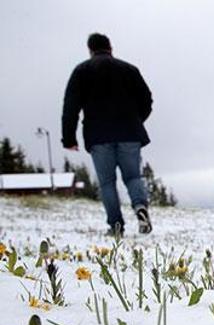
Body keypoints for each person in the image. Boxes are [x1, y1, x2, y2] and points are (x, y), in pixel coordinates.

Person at [61, 33, 153, 236]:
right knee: (133, 177)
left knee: (107, 183)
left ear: (90, 50)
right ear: (110, 47)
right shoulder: (129, 69)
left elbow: (71, 106)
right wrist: (136, 120)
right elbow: (146, 99)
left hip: (98, 135)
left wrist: (69, 138)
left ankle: (116, 226)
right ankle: (140, 206)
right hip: (129, 133)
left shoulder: (81, 71)